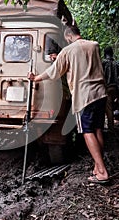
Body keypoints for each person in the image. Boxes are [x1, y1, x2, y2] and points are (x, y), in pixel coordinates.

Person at [28, 25, 109, 184]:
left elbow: (54, 72)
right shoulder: (94, 45)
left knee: (87, 131)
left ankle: (103, 172)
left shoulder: (68, 51)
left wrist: (35, 78)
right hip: (100, 93)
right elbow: (84, 63)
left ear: (68, 37)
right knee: (98, 129)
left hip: (84, 96)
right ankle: (97, 167)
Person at [102, 46, 119, 133]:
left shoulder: (103, 63)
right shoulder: (116, 63)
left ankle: (110, 127)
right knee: (112, 106)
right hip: (115, 88)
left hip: (106, 87)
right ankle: (112, 126)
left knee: (108, 108)